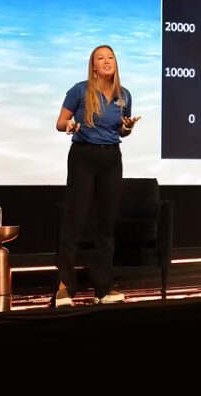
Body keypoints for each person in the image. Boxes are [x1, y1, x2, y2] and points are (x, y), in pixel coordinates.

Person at [53, 44, 141, 306]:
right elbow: (60, 123)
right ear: (93, 65)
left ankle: (103, 289)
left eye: (110, 57)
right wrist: (69, 126)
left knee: (107, 223)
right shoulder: (79, 90)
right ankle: (65, 287)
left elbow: (121, 130)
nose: (106, 61)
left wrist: (127, 128)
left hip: (111, 158)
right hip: (83, 157)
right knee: (75, 221)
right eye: (100, 58)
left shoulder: (124, 95)